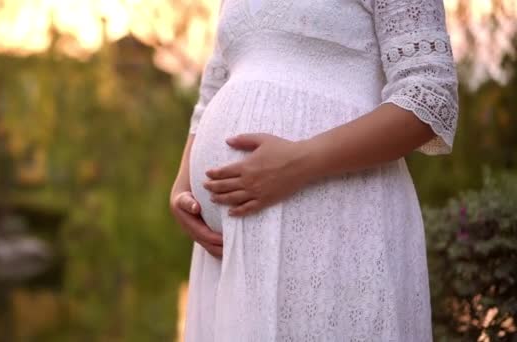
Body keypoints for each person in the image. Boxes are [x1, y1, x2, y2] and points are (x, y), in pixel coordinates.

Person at [169, 0, 458, 340]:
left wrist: (300, 161)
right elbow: (212, 92)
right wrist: (182, 186)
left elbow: (429, 97)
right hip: (227, 252)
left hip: (338, 227)